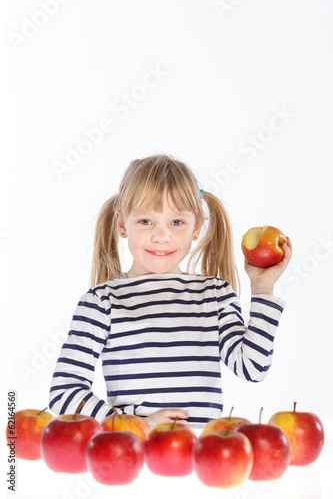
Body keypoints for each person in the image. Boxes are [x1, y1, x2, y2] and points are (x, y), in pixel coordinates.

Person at [49, 154, 292, 425]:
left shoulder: (214, 295)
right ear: (122, 224)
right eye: (145, 221)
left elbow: (253, 368)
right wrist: (131, 422)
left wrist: (262, 288)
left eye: (177, 222)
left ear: (196, 227)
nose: (162, 236)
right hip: (135, 455)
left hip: (205, 457)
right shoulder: (101, 302)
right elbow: (64, 392)